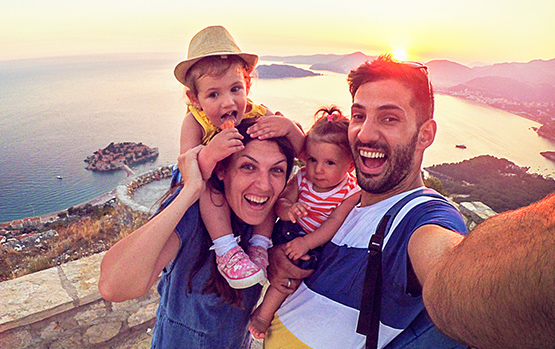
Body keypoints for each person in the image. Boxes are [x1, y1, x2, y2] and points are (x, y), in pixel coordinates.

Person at [264, 54, 469, 348]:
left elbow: (450, 269)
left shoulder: (421, 216)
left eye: (389, 118)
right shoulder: (339, 200)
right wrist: (278, 255)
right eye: (359, 116)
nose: (365, 133)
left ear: (425, 135)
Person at [98, 118, 296, 348]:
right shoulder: (194, 215)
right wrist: (190, 189)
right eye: (248, 167)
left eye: (277, 170)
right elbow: (113, 286)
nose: (264, 185)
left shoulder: (267, 219)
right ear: (222, 171)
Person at [173, 25, 305, 289]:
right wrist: (210, 154)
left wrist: (289, 127)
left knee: (265, 188)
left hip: (243, 185)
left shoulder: (259, 112)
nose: (228, 103)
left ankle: (259, 245)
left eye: (235, 89)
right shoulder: (195, 122)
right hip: (212, 182)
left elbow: (302, 151)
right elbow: (188, 170)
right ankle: (226, 251)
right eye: (213, 94)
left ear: (247, 84)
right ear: (194, 98)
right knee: (211, 191)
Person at [249, 106, 361, 339]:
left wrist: (307, 243)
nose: (318, 170)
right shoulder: (302, 178)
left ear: (350, 165)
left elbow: (334, 223)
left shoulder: (350, 191)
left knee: (294, 275)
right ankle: (262, 315)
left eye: (330, 163)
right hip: (289, 231)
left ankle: (266, 311)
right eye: (312, 159)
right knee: (288, 274)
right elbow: (281, 202)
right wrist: (290, 209)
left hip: (314, 241)